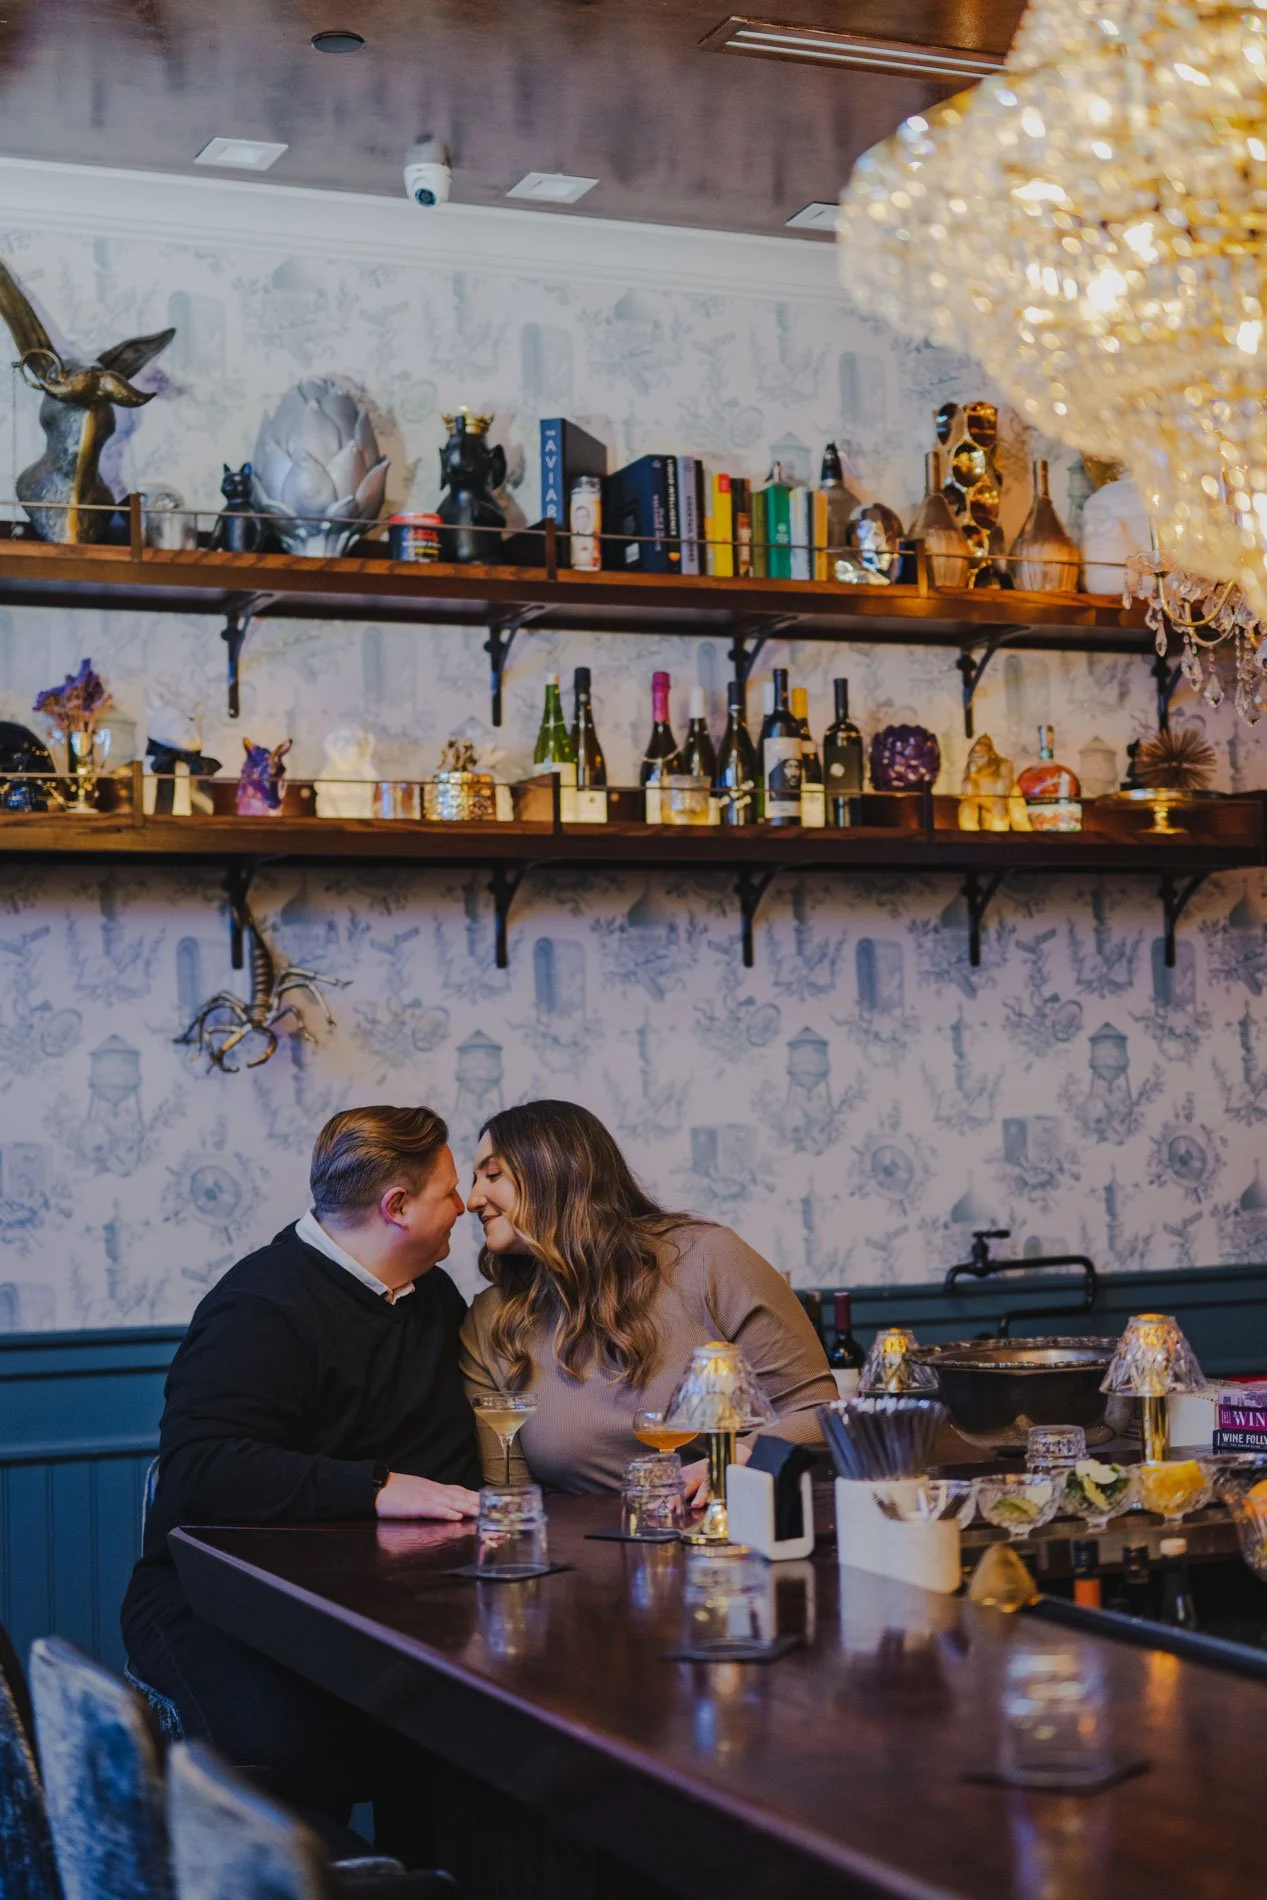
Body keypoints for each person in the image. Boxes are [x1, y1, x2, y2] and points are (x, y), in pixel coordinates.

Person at [122, 1105, 481, 1845]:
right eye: (450, 1190)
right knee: (286, 1749)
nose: (467, 1203)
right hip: (215, 1598)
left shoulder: (433, 1298)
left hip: (374, 1600)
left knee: (459, 1735)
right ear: (398, 1206)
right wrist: (376, 1488)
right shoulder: (260, 1305)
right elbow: (199, 1469)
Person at [460, 1100, 835, 1491]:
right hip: (580, 1532)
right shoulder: (492, 1319)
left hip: (719, 1521)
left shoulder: (706, 1258)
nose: (472, 1200)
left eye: (492, 1175)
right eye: (474, 1180)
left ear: (552, 1173)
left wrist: (733, 1459)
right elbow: (512, 1497)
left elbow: (817, 1413)